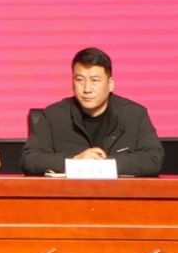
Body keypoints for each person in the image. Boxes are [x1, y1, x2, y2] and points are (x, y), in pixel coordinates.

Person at [19, 47, 164, 176]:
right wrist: (75, 161)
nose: (87, 89)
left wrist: (102, 165)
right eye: (80, 80)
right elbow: (29, 159)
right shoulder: (53, 115)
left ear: (110, 84)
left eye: (95, 80)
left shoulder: (134, 115)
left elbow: (153, 158)